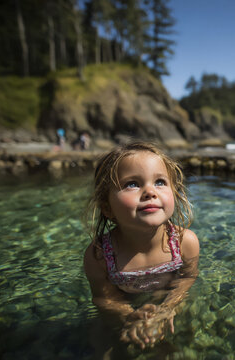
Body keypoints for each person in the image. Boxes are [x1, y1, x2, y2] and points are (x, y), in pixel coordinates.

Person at [83, 142, 200, 351]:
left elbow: (187, 278)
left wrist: (167, 309)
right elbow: (104, 298)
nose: (149, 191)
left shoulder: (185, 242)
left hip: (166, 298)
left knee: (183, 340)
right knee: (102, 344)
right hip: (125, 303)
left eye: (160, 182)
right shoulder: (99, 255)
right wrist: (129, 315)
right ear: (107, 207)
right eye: (132, 184)